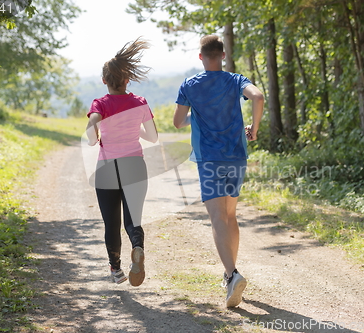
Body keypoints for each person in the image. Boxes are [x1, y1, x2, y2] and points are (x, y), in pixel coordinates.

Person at [173, 35, 264, 307]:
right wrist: (254, 129)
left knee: (216, 218)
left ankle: (231, 274)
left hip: (209, 159)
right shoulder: (235, 80)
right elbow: (258, 97)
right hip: (237, 155)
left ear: (200, 57)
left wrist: (196, 114)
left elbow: (178, 122)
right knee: (230, 214)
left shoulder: (189, 85)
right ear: (223, 55)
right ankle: (231, 275)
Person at [86, 37, 158, 287]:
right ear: (128, 79)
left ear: (104, 80)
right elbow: (153, 136)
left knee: (111, 222)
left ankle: (116, 269)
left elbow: (92, 126)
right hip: (134, 165)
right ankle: (137, 247)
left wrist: (94, 137)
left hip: (107, 169)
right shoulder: (139, 103)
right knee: (133, 218)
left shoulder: (101, 103)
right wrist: (133, 129)